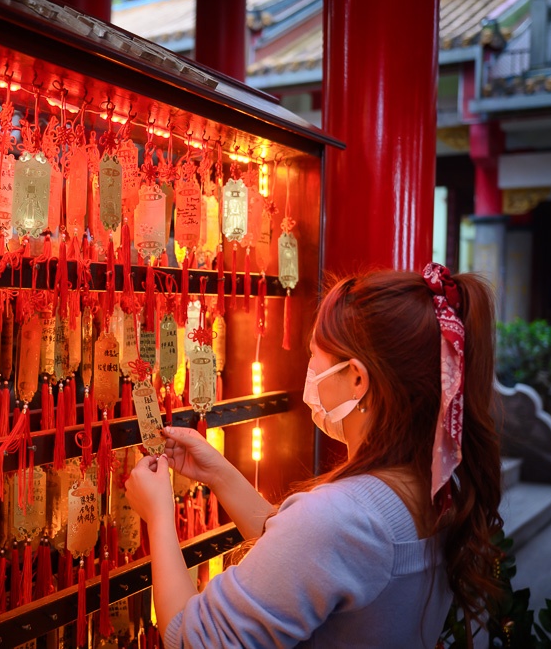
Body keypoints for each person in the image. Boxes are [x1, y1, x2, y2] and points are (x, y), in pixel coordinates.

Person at [125, 263, 504, 648]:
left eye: (315, 355)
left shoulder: (340, 518)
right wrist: (219, 473)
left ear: (357, 377)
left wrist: (157, 514)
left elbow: (191, 639)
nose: (309, 369)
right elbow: (310, 560)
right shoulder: (434, 484)